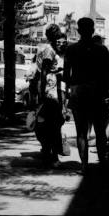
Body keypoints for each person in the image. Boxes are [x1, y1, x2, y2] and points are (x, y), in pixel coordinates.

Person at [63, 17, 109, 172]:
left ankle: (84, 165)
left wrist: (78, 83)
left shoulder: (71, 50)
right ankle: (102, 163)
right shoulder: (102, 50)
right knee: (100, 131)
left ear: (78, 31)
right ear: (93, 31)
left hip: (79, 94)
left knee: (81, 132)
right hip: (98, 93)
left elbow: (66, 76)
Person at [33, 23, 65, 166]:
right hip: (49, 90)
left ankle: (48, 152)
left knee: (49, 123)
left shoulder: (48, 49)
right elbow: (44, 72)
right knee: (53, 124)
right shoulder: (49, 51)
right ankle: (53, 156)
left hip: (50, 88)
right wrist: (42, 92)